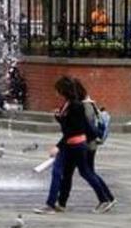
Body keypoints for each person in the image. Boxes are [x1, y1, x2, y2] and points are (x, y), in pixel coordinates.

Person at [34, 76, 115, 215]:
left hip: (77, 145)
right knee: (65, 173)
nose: (56, 93)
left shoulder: (77, 106)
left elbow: (75, 129)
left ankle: (105, 199)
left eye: (58, 90)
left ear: (63, 91)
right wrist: (59, 118)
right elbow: (71, 126)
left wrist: (58, 146)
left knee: (84, 172)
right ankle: (57, 204)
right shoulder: (68, 105)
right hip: (71, 144)